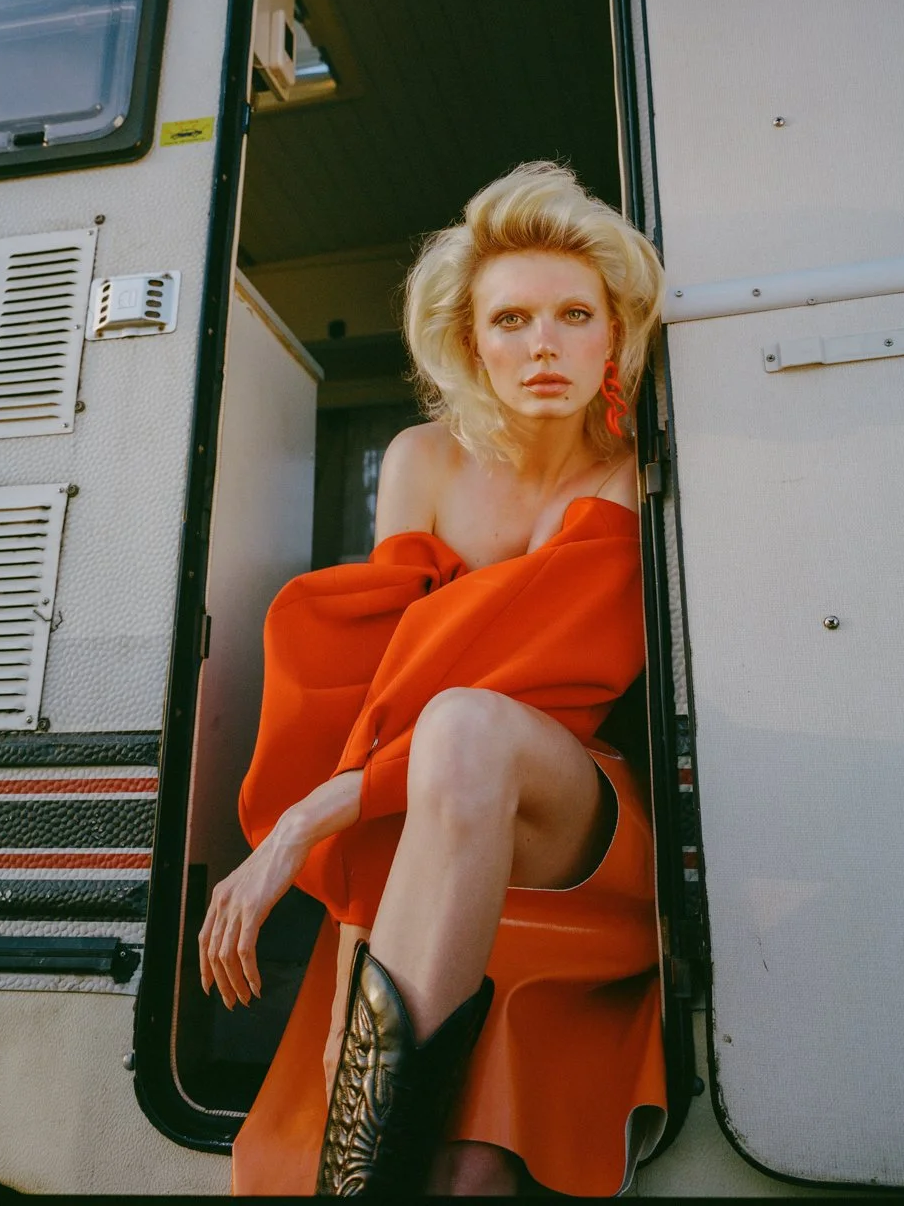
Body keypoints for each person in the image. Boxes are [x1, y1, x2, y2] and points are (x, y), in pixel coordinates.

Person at [199, 161, 667, 1196]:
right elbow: (385, 692)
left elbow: (534, 688)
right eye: (509, 321)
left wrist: (298, 826)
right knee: (465, 1180)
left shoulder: (630, 472)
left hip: (579, 822)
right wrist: (355, 939)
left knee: (467, 723)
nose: (541, 344)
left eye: (572, 314)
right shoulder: (422, 460)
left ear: (613, 333)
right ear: (468, 342)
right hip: (423, 807)